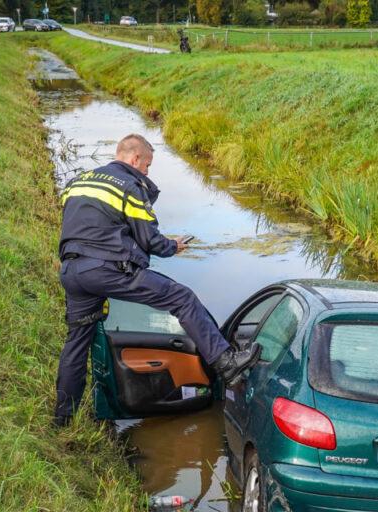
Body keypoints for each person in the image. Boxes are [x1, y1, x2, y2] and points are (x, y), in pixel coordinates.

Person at [53, 134, 258, 427]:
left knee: (77, 341)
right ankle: (226, 363)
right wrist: (173, 245)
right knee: (181, 298)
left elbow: (83, 225)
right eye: (147, 165)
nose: (147, 172)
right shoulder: (128, 186)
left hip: (72, 271)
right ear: (135, 159)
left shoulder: (79, 181)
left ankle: (63, 416)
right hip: (109, 270)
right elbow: (150, 240)